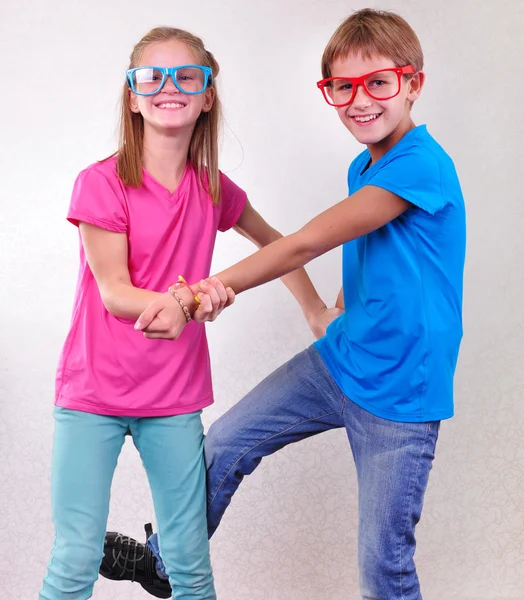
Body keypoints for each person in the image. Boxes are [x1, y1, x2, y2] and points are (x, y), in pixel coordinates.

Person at [101, 8, 466, 600]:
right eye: (342, 87)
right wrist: (328, 311)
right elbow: (367, 250)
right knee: (226, 442)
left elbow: (305, 241)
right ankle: (164, 562)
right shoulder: (365, 163)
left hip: (402, 395)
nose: (360, 100)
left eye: (379, 82)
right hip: (341, 363)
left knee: (385, 565)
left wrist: (196, 294)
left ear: (414, 82)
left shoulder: (421, 165)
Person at [39, 25, 331, 600]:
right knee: (74, 559)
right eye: (151, 76)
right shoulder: (101, 183)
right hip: (92, 395)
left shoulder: (213, 189)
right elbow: (115, 292)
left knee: (189, 566)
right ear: (132, 95)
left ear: (207, 94)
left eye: (186, 76)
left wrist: (316, 309)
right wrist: (192, 298)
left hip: (172, 399)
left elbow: (279, 246)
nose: (168, 87)